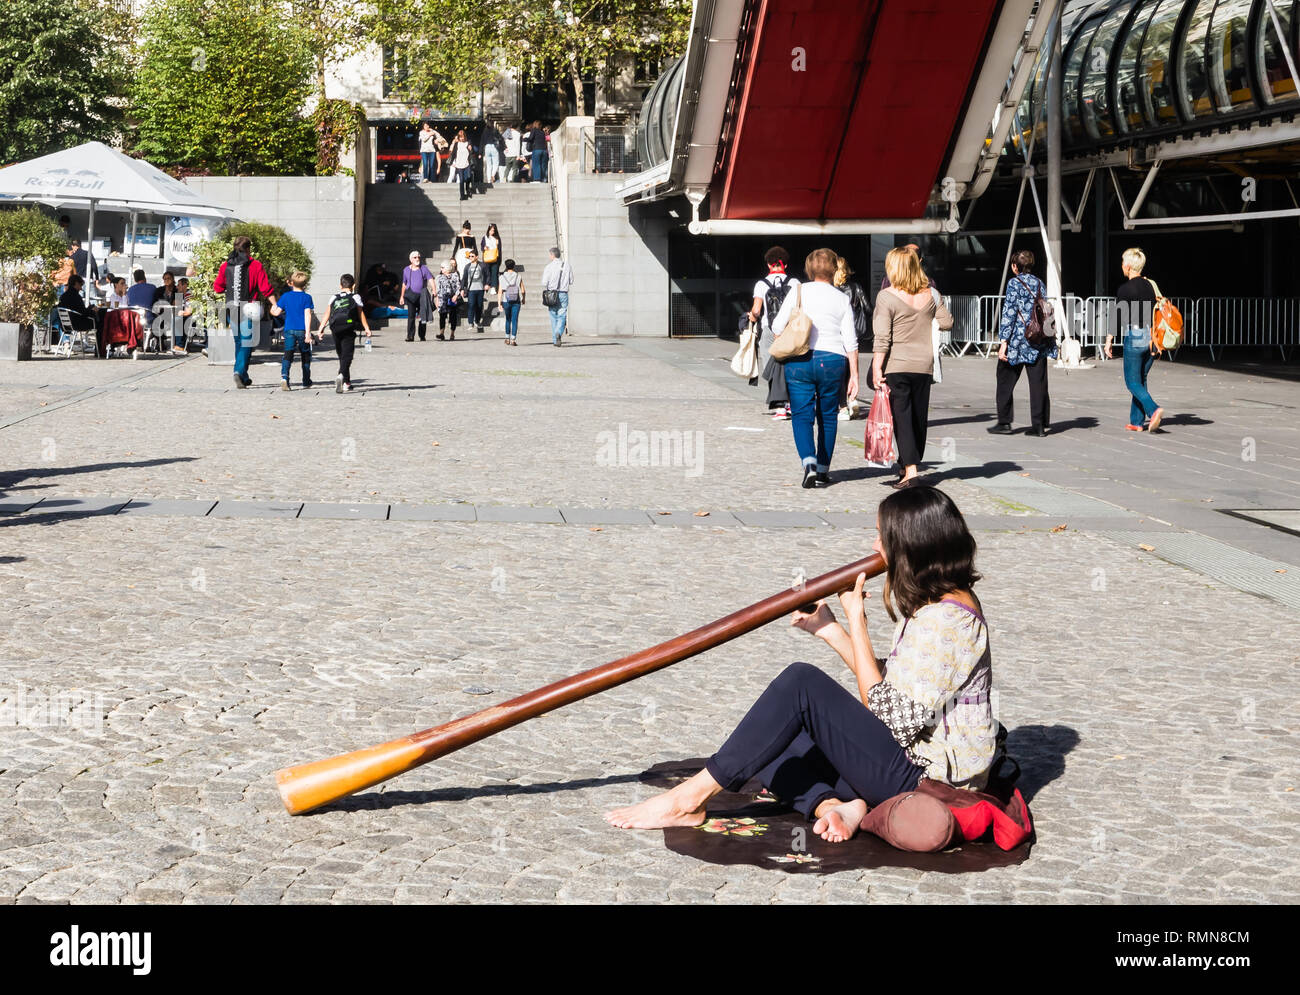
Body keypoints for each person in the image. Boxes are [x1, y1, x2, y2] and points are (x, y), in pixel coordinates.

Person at [606, 485, 999, 852]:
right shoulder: (935, 605)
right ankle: (834, 804)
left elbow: (890, 716)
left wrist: (857, 620)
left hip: (928, 781)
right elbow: (894, 689)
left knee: (799, 683)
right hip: (903, 757)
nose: (874, 546)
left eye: (882, 536)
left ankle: (686, 801)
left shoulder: (947, 622)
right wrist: (832, 631)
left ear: (911, 546)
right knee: (768, 738)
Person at [771, 247, 859, 488]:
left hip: (800, 359)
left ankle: (808, 463)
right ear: (833, 269)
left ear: (809, 269)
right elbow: (850, 340)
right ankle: (823, 469)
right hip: (832, 360)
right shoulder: (842, 298)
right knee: (828, 417)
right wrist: (855, 375)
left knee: (801, 415)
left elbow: (777, 326)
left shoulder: (798, 291)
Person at [873, 247, 953, 488]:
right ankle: (908, 465)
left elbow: (882, 337)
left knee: (902, 418)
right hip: (924, 364)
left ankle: (911, 470)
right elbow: (947, 323)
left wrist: (877, 367)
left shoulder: (886, 296)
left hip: (897, 365)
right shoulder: (932, 294)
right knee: (919, 418)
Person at [991, 249, 1056, 437]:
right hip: (1038, 340)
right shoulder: (1039, 283)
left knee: (1004, 379)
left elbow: (1009, 312)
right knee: (1039, 383)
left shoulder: (1014, 283)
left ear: (1014, 266)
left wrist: (1003, 341)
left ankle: (1004, 422)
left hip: (1018, 341)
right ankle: (1039, 424)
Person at [1104, 247, 1165, 433]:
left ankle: (1153, 410)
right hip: (1151, 337)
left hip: (1136, 335)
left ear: (1128, 266)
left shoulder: (1126, 289)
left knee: (1132, 382)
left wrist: (1109, 340)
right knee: (1141, 378)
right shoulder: (1150, 286)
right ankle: (1136, 421)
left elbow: (1117, 316)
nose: (1122, 266)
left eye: (1123, 263)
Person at [213, 234, 278, 389]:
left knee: (239, 342)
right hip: (249, 308)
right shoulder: (255, 265)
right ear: (248, 249)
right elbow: (265, 288)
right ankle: (238, 370)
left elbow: (217, 287)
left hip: (231, 308)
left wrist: (229, 286)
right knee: (247, 343)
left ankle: (244, 376)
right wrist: (274, 304)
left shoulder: (225, 265)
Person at [749, 246, 795, 421]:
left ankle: (780, 408)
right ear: (785, 264)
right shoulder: (794, 282)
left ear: (769, 264)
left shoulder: (761, 284)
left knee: (772, 366)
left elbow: (756, 309)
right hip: (790, 330)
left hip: (769, 329)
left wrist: (750, 316)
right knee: (790, 366)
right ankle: (791, 404)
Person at [835, 255, 872, 418]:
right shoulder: (856, 287)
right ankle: (853, 399)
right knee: (852, 367)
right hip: (854, 332)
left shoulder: (830, 289)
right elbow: (868, 308)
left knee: (839, 371)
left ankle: (842, 405)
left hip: (836, 335)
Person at [324, 274, 371, 393]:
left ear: (340, 285)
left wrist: (320, 329)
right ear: (354, 285)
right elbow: (360, 314)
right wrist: (366, 328)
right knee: (347, 355)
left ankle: (347, 382)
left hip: (335, 329)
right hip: (348, 328)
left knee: (342, 355)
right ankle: (341, 375)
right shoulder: (355, 297)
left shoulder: (333, 297)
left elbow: (327, 313)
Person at [275, 271, 316, 390]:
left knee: (288, 353)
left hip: (289, 329)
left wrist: (272, 310)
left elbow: (277, 312)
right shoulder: (307, 297)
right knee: (305, 354)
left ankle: (284, 377)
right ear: (305, 284)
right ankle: (306, 380)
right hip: (302, 330)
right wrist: (308, 333)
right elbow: (307, 315)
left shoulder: (286, 296)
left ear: (291, 283)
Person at [540, 246, 573, 346]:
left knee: (553, 316)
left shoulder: (548, 267)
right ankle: (559, 332)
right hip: (563, 293)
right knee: (562, 315)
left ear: (552, 255)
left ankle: (555, 339)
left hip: (551, 294)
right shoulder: (567, 265)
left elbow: (544, 282)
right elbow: (571, 281)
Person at [399, 251, 435, 342]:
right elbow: (404, 283)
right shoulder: (406, 270)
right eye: (415, 257)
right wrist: (402, 296)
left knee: (422, 316)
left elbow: (430, 279)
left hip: (422, 296)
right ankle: (410, 336)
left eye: (418, 257)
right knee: (411, 316)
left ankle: (422, 335)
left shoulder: (424, 268)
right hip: (411, 296)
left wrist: (434, 289)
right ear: (411, 259)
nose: (417, 259)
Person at [497, 258, 524, 347]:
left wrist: (499, 304)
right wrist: (523, 298)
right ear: (514, 266)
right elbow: (523, 290)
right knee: (515, 320)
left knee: (508, 319)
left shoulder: (501, 277)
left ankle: (507, 338)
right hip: (516, 300)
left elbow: (500, 291)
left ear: (506, 266)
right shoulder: (518, 276)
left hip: (506, 300)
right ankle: (513, 339)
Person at [435, 259, 464, 340]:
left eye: (443, 267)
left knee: (453, 316)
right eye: (441, 267)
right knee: (442, 316)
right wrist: (437, 299)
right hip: (442, 298)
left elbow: (459, 286)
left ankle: (452, 333)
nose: (441, 269)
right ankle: (441, 333)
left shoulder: (455, 275)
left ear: (447, 268)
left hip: (452, 298)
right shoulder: (439, 277)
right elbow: (438, 289)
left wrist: (456, 295)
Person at [460, 248, 487, 333]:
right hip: (471, 289)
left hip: (480, 288)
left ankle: (477, 321)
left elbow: (487, 275)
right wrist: (462, 288)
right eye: (469, 256)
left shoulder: (482, 265)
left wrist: (487, 284)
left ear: (476, 257)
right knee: (471, 305)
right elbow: (464, 278)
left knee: (479, 306)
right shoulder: (467, 266)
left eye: (472, 256)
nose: (470, 257)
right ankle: (470, 323)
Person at [481, 223, 502, 308]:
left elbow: (500, 249)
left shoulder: (497, 238)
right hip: (487, 257)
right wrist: (484, 248)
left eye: (493, 230)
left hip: (495, 257)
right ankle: (487, 284)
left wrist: (499, 258)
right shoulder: (485, 237)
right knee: (487, 272)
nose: (492, 231)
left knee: (494, 272)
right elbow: (482, 246)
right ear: (488, 230)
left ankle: (493, 287)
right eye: (491, 230)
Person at [449, 129, 474, 200]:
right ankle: (462, 195)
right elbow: (452, 153)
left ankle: (467, 189)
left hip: (467, 163)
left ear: (465, 136)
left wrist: (471, 149)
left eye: (462, 136)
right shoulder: (457, 144)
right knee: (462, 180)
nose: (461, 138)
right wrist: (451, 162)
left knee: (468, 177)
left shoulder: (468, 143)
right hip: (459, 164)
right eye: (460, 137)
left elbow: (472, 153)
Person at [480, 122, 501, 186]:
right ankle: (493, 175)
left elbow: (482, 142)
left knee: (489, 165)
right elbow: (500, 139)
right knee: (496, 163)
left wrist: (480, 152)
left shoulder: (484, 132)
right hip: (494, 147)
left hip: (487, 147)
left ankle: (489, 180)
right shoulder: (495, 131)